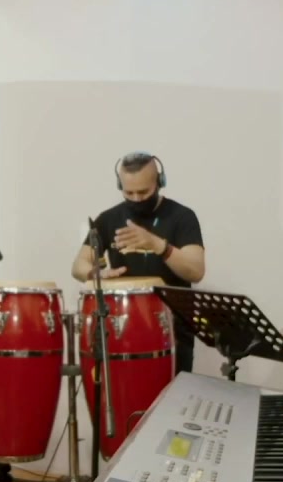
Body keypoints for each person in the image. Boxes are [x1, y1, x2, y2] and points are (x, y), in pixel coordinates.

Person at [70, 152, 205, 374]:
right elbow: (78, 266)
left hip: (173, 331)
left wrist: (158, 245)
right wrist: (96, 274)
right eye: (129, 192)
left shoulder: (182, 217)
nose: (136, 199)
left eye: (143, 192)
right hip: (123, 330)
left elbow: (196, 271)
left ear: (159, 182)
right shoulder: (108, 219)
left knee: (171, 395)